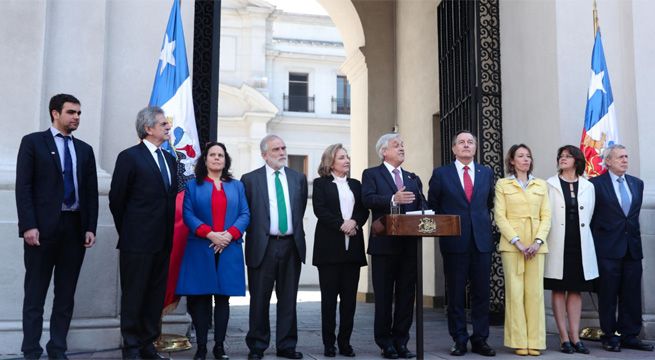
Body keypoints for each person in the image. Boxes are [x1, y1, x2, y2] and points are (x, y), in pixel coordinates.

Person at [16, 94, 99, 360]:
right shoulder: (33, 143)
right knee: (35, 294)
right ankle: (31, 350)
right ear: (55, 113)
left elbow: (90, 191)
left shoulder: (85, 149)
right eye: (71, 112)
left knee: (65, 295)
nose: (76, 117)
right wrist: (28, 225)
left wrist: (90, 227)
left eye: (79, 113)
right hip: (41, 230)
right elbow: (24, 187)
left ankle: (57, 349)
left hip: (74, 229)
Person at [109, 106, 178, 359]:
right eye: (163, 124)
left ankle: (149, 344)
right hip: (136, 242)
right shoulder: (129, 157)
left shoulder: (170, 159)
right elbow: (117, 199)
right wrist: (129, 232)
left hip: (163, 242)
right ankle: (132, 346)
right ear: (148, 128)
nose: (168, 127)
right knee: (135, 295)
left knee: (154, 296)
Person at [176, 142, 250, 360]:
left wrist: (229, 235)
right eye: (213, 155)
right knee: (201, 299)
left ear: (225, 160)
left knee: (223, 299)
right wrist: (210, 234)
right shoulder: (193, 186)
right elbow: (188, 215)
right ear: (205, 159)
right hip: (201, 247)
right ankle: (200, 348)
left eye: (221, 155)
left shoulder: (237, 186)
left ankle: (219, 346)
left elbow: (245, 213)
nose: (217, 158)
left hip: (229, 248)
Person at [427, 131, 495, 357]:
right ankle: (458, 338)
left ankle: (480, 339)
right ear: (454, 148)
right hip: (454, 242)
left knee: (481, 293)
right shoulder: (441, 174)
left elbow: (488, 202)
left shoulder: (486, 172)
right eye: (461, 142)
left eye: (470, 142)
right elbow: (434, 205)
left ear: (475, 148)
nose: (466, 145)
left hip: (481, 241)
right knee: (455, 294)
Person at [242, 134, 308, 360]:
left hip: (291, 245)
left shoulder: (298, 178)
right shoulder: (250, 180)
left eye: (283, 148)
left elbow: (299, 212)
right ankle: (257, 346)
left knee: (289, 298)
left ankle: (287, 346)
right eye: (276, 149)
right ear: (264, 155)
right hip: (264, 246)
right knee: (259, 299)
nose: (282, 153)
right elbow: (247, 213)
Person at [361, 133, 423, 359]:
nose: (402, 148)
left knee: (407, 296)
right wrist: (392, 199)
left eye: (403, 145)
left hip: (409, 246)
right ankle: (385, 342)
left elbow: (421, 205)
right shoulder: (371, 174)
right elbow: (367, 199)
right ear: (383, 151)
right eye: (397, 145)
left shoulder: (412, 178)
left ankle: (401, 341)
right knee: (385, 297)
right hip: (384, 246)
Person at [590, 144, 654, 352]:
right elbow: (591, 218)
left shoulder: (637, 184)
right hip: (607, 249)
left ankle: (630, 335)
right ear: (607, 161)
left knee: (632, 294)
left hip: (632, 248)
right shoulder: (596, 185)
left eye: (626, 156)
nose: (625, 160)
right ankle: (609, 335)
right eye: (619, 157)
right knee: (608, 295)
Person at [494, 144, 551, 356]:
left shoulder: (541, 185)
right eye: (520, 156)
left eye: (528, 155)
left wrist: (537, 241)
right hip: (512, 245)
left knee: (535, 294)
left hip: (536, 244)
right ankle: (518, 340)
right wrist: (517, 242)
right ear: (512, 161)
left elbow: (547, 216)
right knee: (515, 293)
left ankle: (535, 341)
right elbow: (500, 216)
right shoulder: (502, 184)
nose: (525, 159)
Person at [312, 144, 368, 358]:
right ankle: (329, 343)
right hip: (329, 250)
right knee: (328, 301)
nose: (347, 160)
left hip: (352, 250)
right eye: (342, 157)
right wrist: (341, 224)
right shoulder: (321, 184)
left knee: (349, 302)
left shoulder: (356, 184)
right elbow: (320, 210)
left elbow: (363, 209)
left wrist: (354, 222)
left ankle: (345, 342)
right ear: (330, 162)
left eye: (347, 157)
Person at [543, 145, 597, 355]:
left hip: (579, 243)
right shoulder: (549, 184)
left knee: (575, 289)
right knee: (558, 288)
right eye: (561, 156)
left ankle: (576, 337)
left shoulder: (588, 186)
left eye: (568, 156)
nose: (563, 159)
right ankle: (564, 338)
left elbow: (590, 213)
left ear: (577, 160)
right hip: (558, 242)